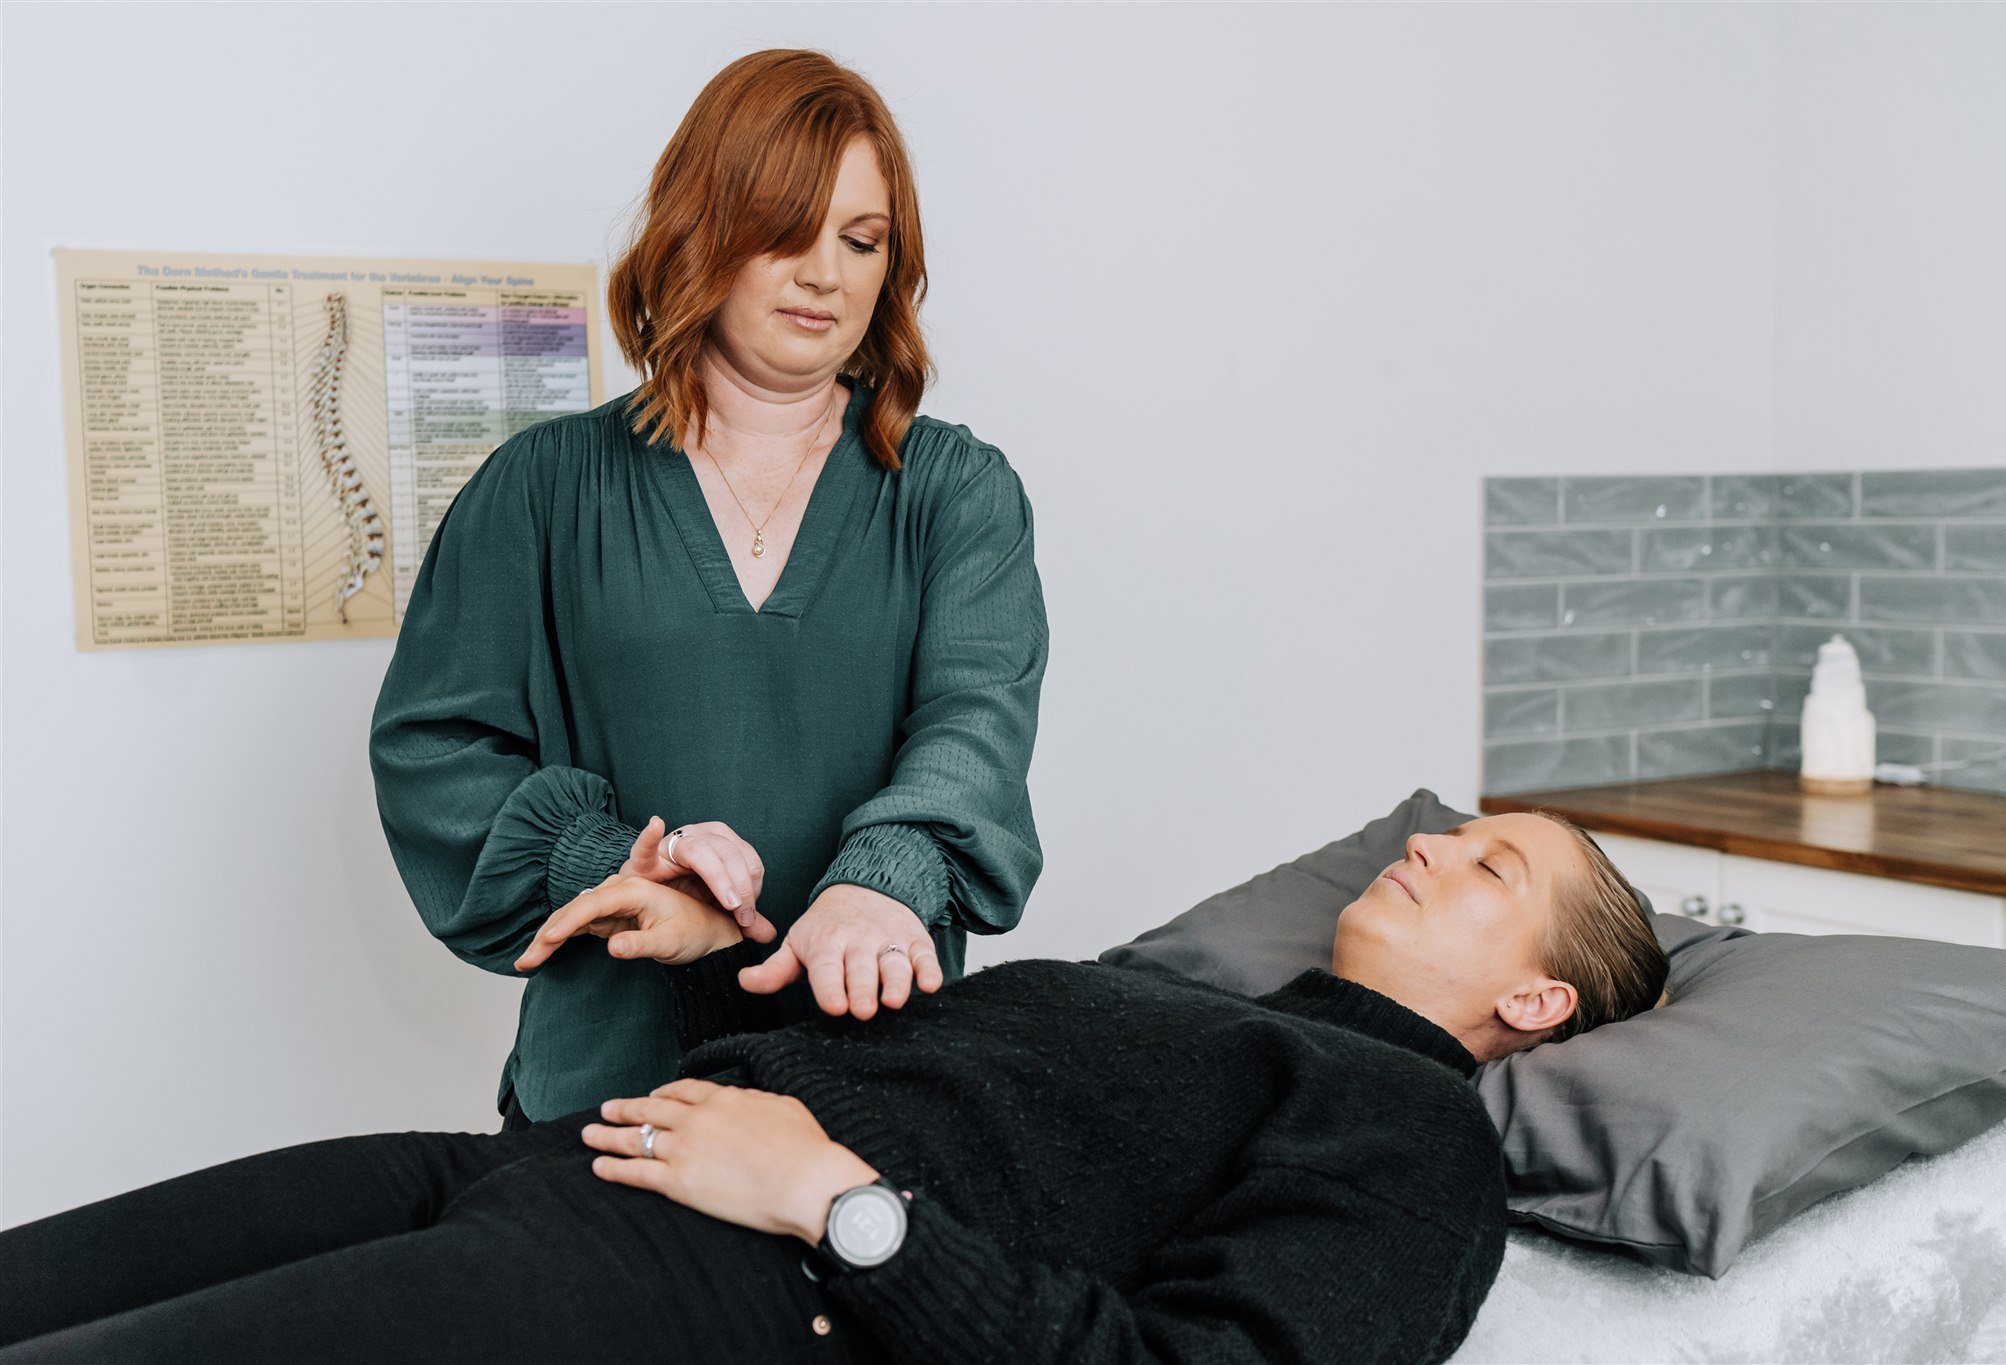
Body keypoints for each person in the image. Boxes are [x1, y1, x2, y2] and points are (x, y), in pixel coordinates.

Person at [0, 811, 1667, 1364]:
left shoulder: (1410, 1140)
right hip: (551, 1160)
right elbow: (901, 1083)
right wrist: (705, 947)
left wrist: (844, 1214)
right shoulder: (1177, 1006)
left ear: (1534, 994)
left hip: (716, 1268)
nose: (1430, 845)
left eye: (1490, 864)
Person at [367, 49, 1051, 1129]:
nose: (826, 274)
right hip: (610, 1089)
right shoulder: (541, 489)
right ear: (702, 230)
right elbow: (436, 748)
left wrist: (881, 876)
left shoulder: (954, 494)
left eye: (861, 241)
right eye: (788, 229)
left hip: (874, 1093)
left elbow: (975, 727)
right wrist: (618, 861)